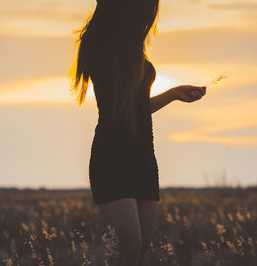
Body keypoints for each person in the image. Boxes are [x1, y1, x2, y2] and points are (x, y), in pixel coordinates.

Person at [70, 0, 206, 265]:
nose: (147, 17)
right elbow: (119, 108)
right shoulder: (100, 45)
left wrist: (173, 94)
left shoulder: (133, 48)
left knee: (142, 248)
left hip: (143, 158)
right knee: (130, 246)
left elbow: (137, 108)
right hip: (111, 158)